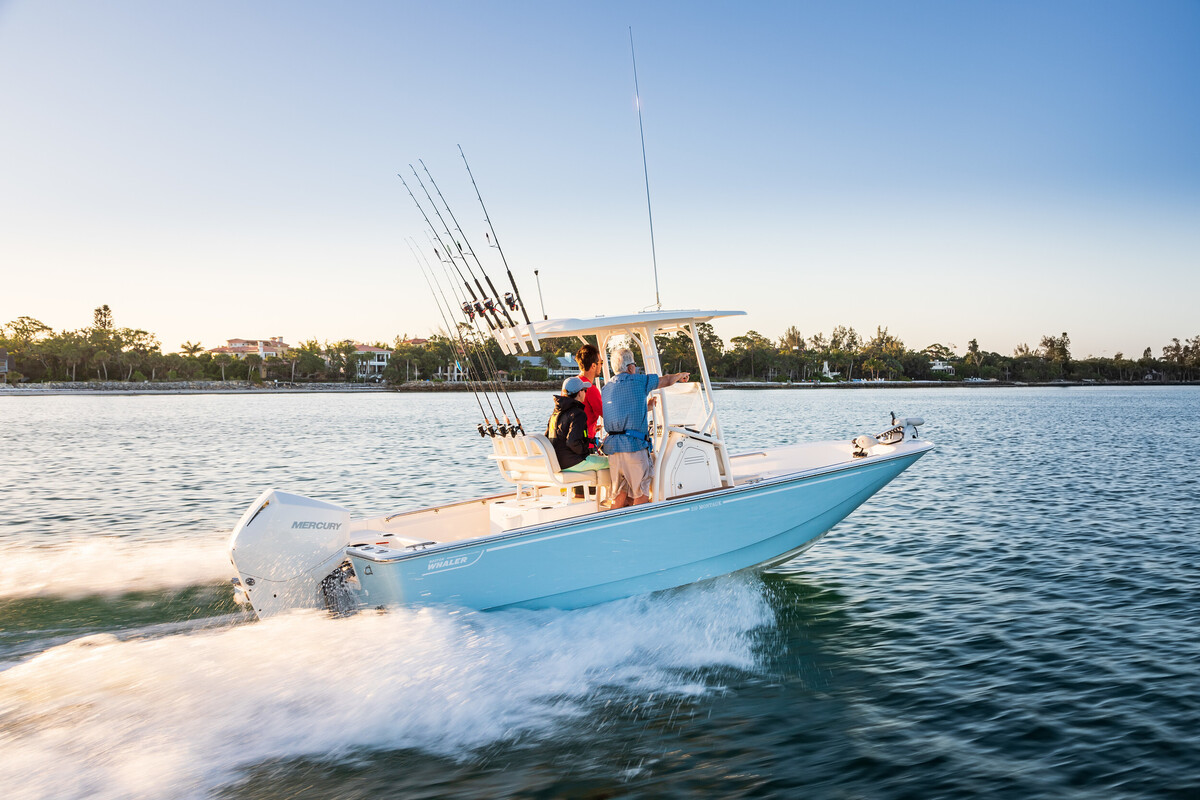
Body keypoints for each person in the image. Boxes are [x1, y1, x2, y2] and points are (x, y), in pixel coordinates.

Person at [600, 347, 689, 508]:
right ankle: (640, 528)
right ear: (630, 367)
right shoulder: (639, 381)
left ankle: (613, 527)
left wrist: (645, 407)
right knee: (641, 493)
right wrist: (679, 375)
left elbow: (622, 411)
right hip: (634, 447)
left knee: (620, 493)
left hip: (613, 449)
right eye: (634, 364)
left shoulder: (606, 388)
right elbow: (666, 380)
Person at [547, 376, 609, 474]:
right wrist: (587, 452)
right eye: (585, 390)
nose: (585, 393)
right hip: (572, 463)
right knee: (611, 462)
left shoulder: (555, 414)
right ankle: (616, 489)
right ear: (580, 393)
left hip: (557, 463)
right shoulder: (578, 414)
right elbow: (572, 442)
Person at [574, 343, 603, 450]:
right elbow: (608, 416)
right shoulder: (590, 389)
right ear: (593, 365)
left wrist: (593, 428)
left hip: (571, 445)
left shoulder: (571, 384)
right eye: (601, 362)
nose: (601, 366)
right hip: (586, 447)